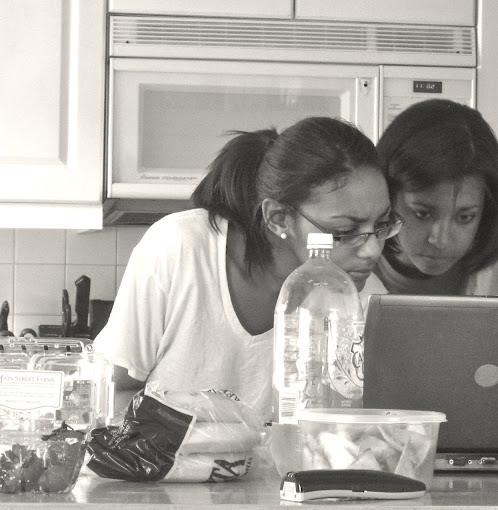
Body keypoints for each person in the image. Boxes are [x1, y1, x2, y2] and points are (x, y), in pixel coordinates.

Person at [93, 117, 400, 422]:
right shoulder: (180, 249)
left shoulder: (361, 302)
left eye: (382, 224)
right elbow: (114, 392)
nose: (372, 250)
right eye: (345, 231)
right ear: (279, 218)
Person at [374, 99, 498, 297]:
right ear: (388, 197)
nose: (441, 240)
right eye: (422, 214)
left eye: (464, 218)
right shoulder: (353, 252)